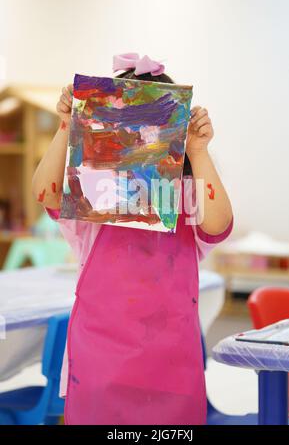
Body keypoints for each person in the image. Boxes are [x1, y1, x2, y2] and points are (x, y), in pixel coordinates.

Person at [32, 53, 233, 425]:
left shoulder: (185, 195)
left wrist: (198, 152)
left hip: (171, 364)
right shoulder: (91, 197)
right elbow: (44, 192)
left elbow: (219, 224)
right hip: (100, 364)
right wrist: (66, 127)